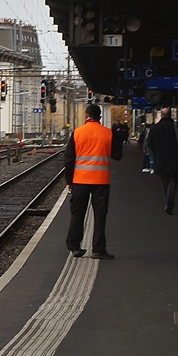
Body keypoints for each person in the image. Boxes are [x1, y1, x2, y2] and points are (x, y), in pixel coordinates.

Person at [64, 103, 118, 259]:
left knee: (77, 214)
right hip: (101, 181)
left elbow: (68, 159)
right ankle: (98, 249)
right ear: (100, 116)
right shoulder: (108, 133)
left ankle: (74, 247)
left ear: (86, 115)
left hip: (80, 181)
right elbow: (117, 155)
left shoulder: (77, 133)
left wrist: (69, 181)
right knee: (100, 215)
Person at [149, 107, 178, 214]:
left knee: (165, 181)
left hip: (161, 159)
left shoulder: (155, 128)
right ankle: (171, 197)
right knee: (174, 181)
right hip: (175, 158)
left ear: (162, 115)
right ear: (171, 115)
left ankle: (168, 200)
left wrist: (156, 152)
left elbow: (150, 144)